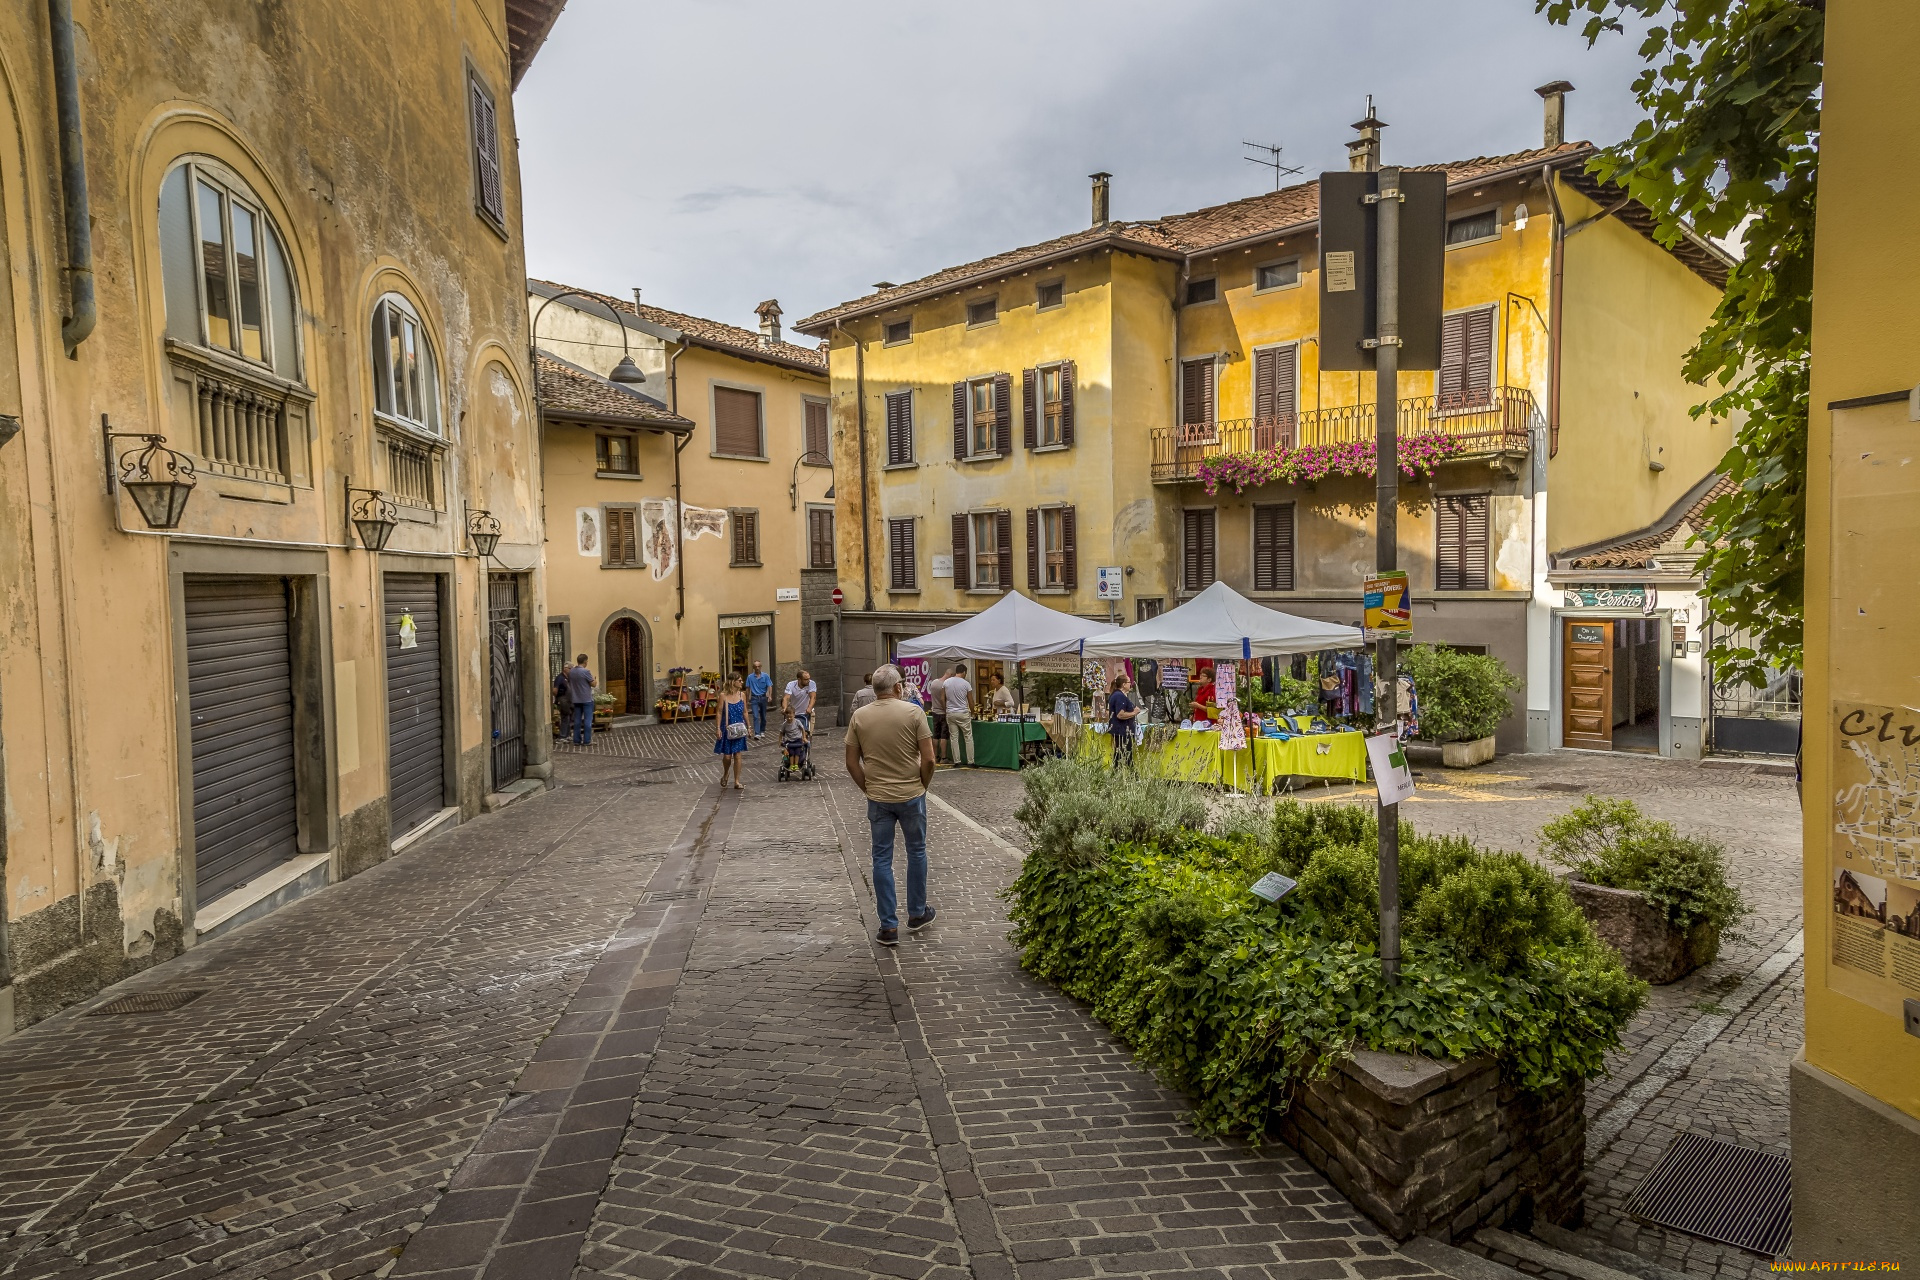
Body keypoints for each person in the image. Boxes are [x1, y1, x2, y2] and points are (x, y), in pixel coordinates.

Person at [845, 664, 936, 947]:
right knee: (916, 851)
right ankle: (917, 912)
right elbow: (929, 759)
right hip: (911, 793)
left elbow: (851, 762)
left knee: (881, 858)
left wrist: (868, 788)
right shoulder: (914, 713)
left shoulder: (859, 716)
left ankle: (888, 926)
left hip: (879, 797)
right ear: (898, 687)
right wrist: (923, 784)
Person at [713, 674, 749, 789]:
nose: (742, 682)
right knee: (727, 756)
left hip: (739, 729)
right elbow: (719, 712)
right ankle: (725, 773)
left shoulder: (742, 695)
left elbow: (745, 711)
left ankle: (737, 781)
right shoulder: (723, 696)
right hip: (727, 729)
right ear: (732, 682)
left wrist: (749, 726)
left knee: (737, 755)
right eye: (739, 680)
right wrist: (718, 728)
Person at [944, 663, 975, 766]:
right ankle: (971, 761)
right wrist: (973, 712)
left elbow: (942, 698)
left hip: (950, 713)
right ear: (964, 672)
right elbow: (971, 701)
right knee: (968, 737)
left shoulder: (946, 682)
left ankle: (957, 761)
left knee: (954, 737)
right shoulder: (966, 684)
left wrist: (946, 710)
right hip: (963, 713)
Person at [1108, 674, 1141, 769]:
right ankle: (1133, 774)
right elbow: (1120, 714)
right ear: (1123, 684)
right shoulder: (1119, 696)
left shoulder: (1117, 695)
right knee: (1127, 755)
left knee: (1119, 755)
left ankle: (1116, 773)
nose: (1131, 684)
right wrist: (1134, 712)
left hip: (1121, 731)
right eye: (1129, 682)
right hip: (1122, 731)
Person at [564, 653, 597, 745]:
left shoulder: (571, 672)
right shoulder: (586, 672)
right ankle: (587, 740)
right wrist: (595, 679)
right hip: (586, 699)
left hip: (576, 699)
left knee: (577, 720)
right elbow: (593, 684)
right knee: (587, 720)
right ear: (585, 662)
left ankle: (576, 740)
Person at [782, 668, 818, 735]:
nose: (808, 681)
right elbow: (786, 698)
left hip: (807, 712)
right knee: (792, 733)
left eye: (809, 679)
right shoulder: (791, 685)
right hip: (794, 713)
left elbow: (813, 697)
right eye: (805, 679)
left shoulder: (811, 683)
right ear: (799, 679)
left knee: (807, 733)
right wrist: (785, 708)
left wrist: (809, 708)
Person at [925, 668, 949, 763]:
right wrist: (946, 710)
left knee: (936, 735)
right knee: (944, 736)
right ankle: (943, 757)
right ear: (950, 676)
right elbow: (943, 699)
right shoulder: (945, 685)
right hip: (943, 712)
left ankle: (935, 756)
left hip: (934, 711)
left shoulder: (934, 682)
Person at [745, 660, 773, 740]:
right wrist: (747, 699)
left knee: (763, 716)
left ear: (761, 667)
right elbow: (747, 688)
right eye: (755, 666)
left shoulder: (765, 676)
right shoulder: (750, 677)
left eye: (758, 666)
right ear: (753, 668)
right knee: (755, 716)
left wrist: (770, 696)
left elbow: (770, 686)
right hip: (754, 698)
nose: (757, 668)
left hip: (763, 697)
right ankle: (757, 733)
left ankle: (762, 731)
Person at [551, 662, 573, 740]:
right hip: (562, 699)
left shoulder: (568, 678)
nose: (571, 670)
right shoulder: (560, 678)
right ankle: (563, 735)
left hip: (568, 700)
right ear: (565, 669)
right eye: (570, 668)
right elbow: (555, 690)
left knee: (568, 717)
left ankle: (567, 735)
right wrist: (558, 698)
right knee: (564, 717)